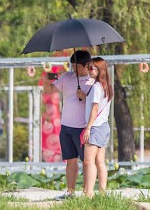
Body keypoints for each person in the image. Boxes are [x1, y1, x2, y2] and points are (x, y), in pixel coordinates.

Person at [42, 49, 93, 199]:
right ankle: (70, 191)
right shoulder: (67, 76)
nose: (74, 69)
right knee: (70, 161)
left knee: (86, 161)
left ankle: (87, 192)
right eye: (72, 66)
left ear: (86, 65)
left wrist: (84, 97)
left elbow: (98, 103)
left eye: (77, 66)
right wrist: (48, 76)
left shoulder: (91, 81)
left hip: (82, 127)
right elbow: (51, 86)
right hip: (66, 127)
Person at [82, 57, 113, 198]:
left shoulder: (95, 86)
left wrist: (88, 128)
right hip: (104, 126)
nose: (88, 70)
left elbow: (95, 108)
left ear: (99, 69)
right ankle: (102, 192)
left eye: (91, 68)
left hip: (95, 126)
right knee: (100, 161)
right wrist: (84, 96)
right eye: (88, 67)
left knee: (89, 161)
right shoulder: (106, 86)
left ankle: (88, 193)